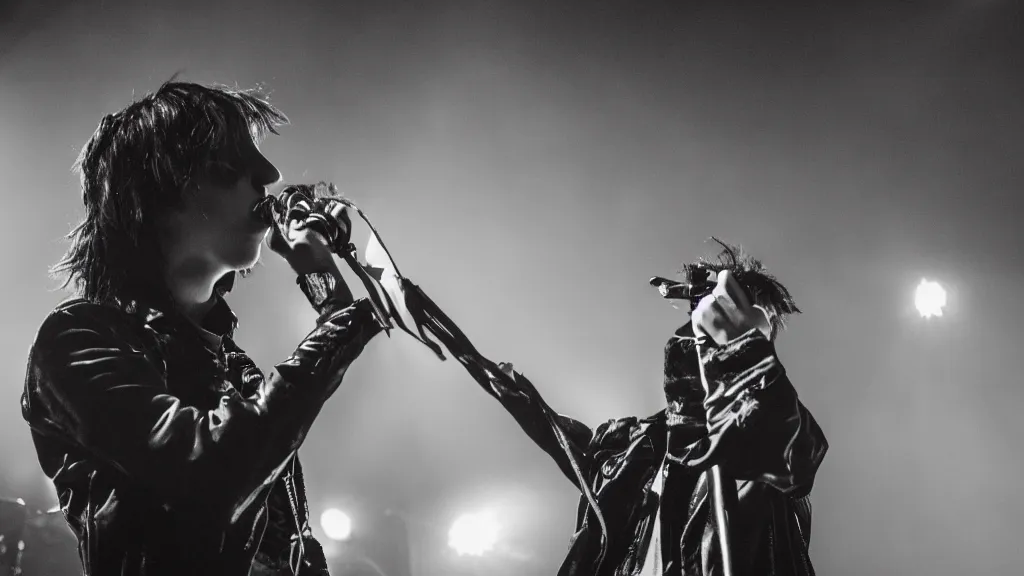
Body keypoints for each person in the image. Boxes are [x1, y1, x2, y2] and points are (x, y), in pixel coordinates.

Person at [21, 81, 384, 575]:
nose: (270, 174)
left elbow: (290, 549)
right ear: (161, 188)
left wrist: (327, 285)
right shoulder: (77, 340)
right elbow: (206, 477)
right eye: (231, 162)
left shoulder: (237, 367)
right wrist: (338, 321)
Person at [383, 240, 829, 576]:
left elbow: (794, 454)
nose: (746, 332)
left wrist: (742, 353)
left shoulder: (766, 446)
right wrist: (462, 348)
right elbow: (567, 441)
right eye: (740, 319)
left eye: (758, 330)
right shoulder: (635, 449)